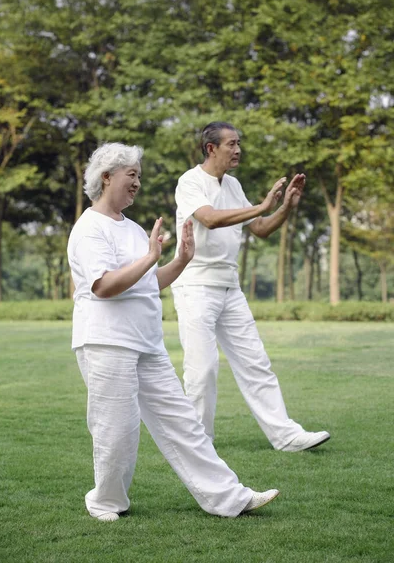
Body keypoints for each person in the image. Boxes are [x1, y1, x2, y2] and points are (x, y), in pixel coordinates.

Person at [67, 142, 280, 522]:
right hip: (106, 342)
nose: (137, 183)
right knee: (117, 431)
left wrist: (181, 259)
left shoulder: (132, 229)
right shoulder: (89, 228)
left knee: (184, 423)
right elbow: (103, 285)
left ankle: (229, 498)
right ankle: (105, 501)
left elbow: (150, 282)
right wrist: (151, 256)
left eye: (139, 176)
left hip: (147, 343)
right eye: (131, 175)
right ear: (106, 177)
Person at [171, 122, 330, 452]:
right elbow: (210, 218)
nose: (238, 149)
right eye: (231, 144)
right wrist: (260, 205)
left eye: (239, 143)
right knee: (202, 370)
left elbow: (259, 228)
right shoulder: (189, 181)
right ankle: (199, 446)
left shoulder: (233, 184)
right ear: (211, 148)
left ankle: (286, 436)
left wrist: (285, 206)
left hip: (230, 287)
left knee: (256, 363)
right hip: (195, 286)